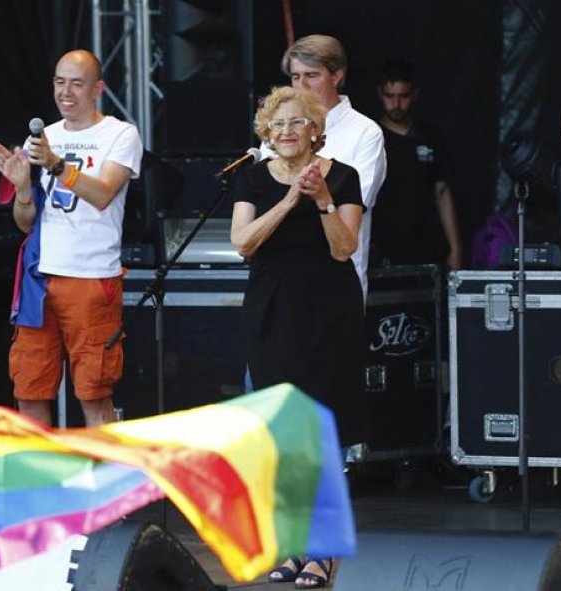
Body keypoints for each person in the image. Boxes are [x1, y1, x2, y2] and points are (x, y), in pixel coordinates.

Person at [232, 86, 364, 589]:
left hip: (328, 314)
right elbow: (243, 243)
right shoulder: (250, 178)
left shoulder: (344, 176)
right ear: (267, 132)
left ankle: (323, 551)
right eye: (277, 125)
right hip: (272, 313)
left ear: (316, 130)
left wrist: (325, 201)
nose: (286, 132)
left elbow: (343, 249)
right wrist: (290, 200)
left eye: (297, 123)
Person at [0, 49, 143, 428]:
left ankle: (103, 484)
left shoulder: (121, 133)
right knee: (30, 389)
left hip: (91, 278)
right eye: (60, 82)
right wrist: (23, 189)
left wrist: (57, 165)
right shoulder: (44, 137)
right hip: (40, 279)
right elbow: (26, 223)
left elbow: (104, 193)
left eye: (77, 83)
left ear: (98, 89)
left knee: (94, 392)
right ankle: (42, 483)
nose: (66, 92)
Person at [262, 34, 386, 300]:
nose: (302, 86)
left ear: (337, 76)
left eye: (312, 75)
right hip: (277, 277)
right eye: (295, 77)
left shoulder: (365, 132)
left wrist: (298, 197)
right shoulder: (278, 129)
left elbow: (353, 204)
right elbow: (261, 195)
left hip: (336, 279)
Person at [371, 58, 463, 270]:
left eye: (403, 96)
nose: (396, 104)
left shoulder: (430, 136)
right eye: (390, 96)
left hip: (426, 248)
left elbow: (442, 191)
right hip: (381, 249)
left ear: (415, 94)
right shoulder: (370, 136)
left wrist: (456, 248)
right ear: (379, 94)